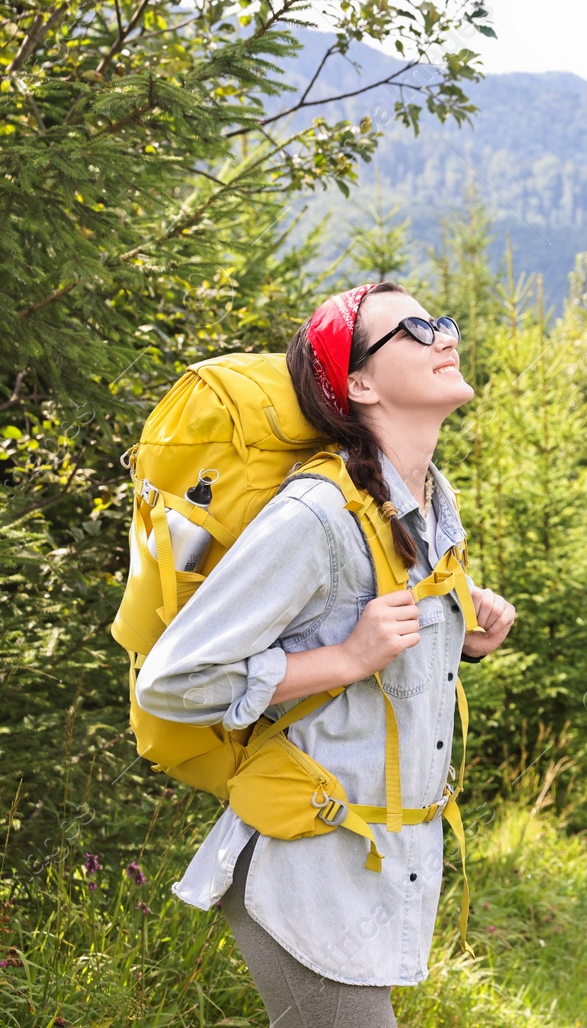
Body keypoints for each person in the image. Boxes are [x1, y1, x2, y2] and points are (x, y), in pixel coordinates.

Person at [136, 282, 516, 1026]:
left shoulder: (428, 502)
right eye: (414, 328)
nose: (445, 335)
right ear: (360, 382)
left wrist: (460, 626)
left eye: (441, 320)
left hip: (363, 869)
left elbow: (370, 625)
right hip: (300, 872)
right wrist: (347, 657)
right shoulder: (315, 513)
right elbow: (172, 681)